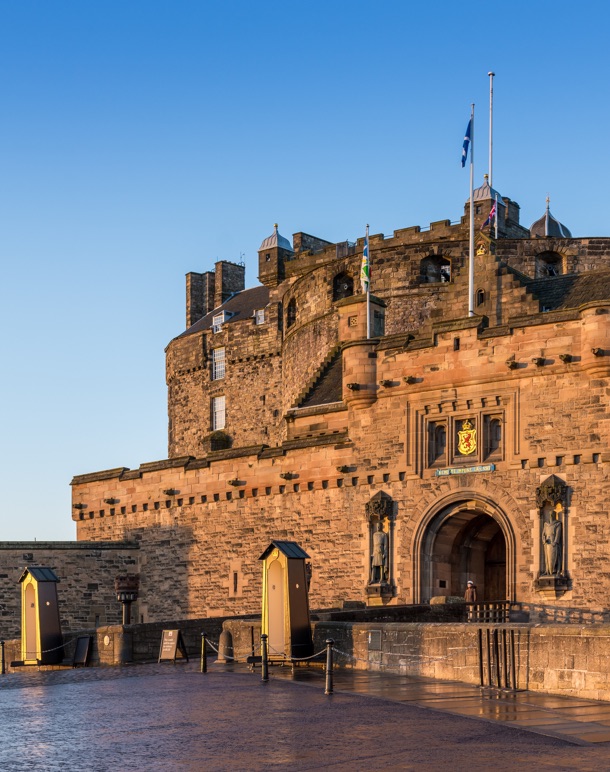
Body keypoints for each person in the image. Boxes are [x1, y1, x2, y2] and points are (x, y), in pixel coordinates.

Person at [542, 506, 563, 575]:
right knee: (548, 557)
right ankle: (548, 570)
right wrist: (544, 540)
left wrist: (555, 541)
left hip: (553, 543)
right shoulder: (546, 524)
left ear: (554, 516)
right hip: (547, 543)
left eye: (552, 515)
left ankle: (554, 570)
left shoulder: (557, 524)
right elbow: (543, 534)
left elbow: (558, 533)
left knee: (554, 557)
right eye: (550, 515)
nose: (551, 516)